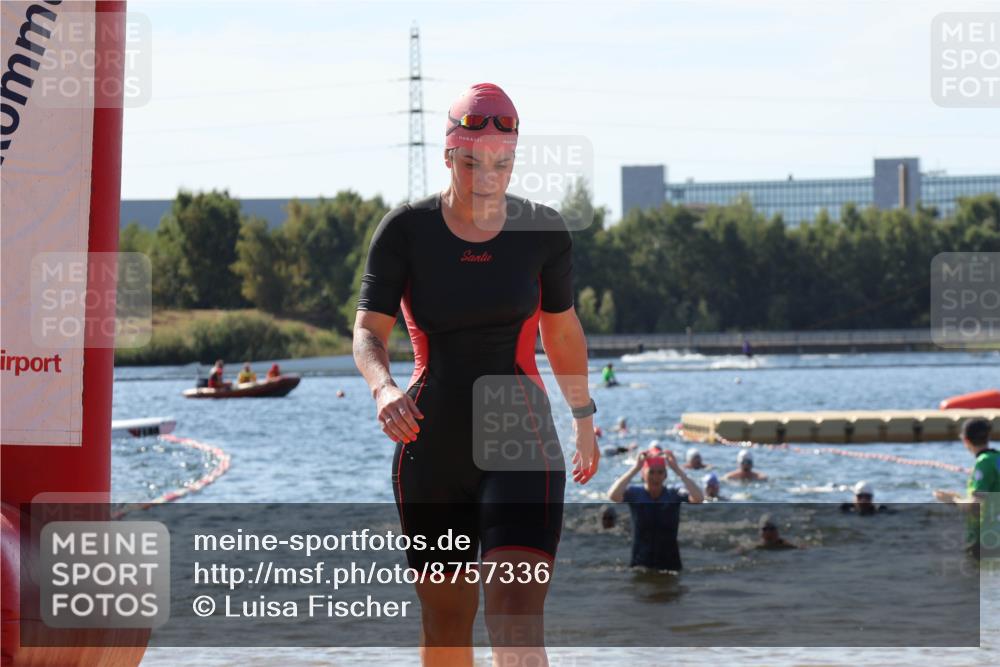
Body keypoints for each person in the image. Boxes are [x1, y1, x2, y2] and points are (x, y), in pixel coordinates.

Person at [352, 82, 600, 666]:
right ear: (447, 156)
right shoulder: (405, 231)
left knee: (515, 623)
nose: (487, 176)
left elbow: (560, 331)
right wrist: (382, 387)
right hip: (428, 439)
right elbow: (367, 332)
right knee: (445, 628)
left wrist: (584, 416)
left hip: (520, 437)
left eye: (502, 164)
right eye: (471, 162)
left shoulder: (542, 231)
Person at [607, 445, 704, 571]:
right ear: (643, 475)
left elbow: (698, 498)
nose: (656, 477)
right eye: (651, 472)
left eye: (660, 472)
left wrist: (676, 469)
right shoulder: (635, 494)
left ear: (665, 476)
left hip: (670, 562)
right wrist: (636, 468)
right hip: (641, 562)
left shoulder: (673, 494)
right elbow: (613, 496)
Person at [934, 417, 1000, 559]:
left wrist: (952, 499)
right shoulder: (997, 458)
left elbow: (975, 506)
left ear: (966, 440)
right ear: (988, 436)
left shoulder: (983, 463)